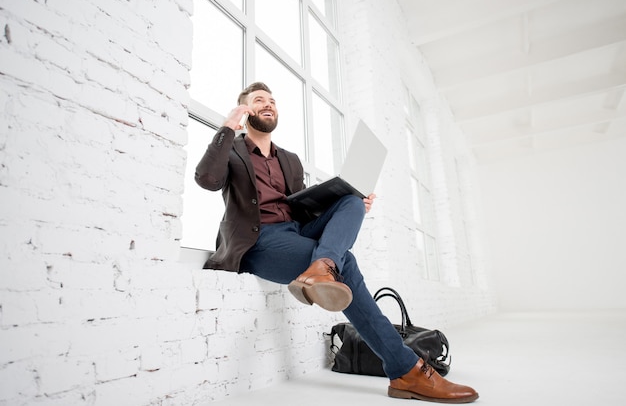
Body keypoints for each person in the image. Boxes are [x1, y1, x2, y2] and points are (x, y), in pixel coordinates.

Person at [195, 82, 479, 403]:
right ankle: (406, 370)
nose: (268, 104)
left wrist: (340, 203)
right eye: (258, 100)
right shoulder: (231, 149)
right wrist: (226, 128)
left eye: (272, 100)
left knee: (353, 202)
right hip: (259, 242)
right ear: (245, 110)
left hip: (295, 232)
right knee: (347, 263)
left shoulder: (289, 160)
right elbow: (207, 179)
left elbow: (301, 210)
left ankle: (322, 268)